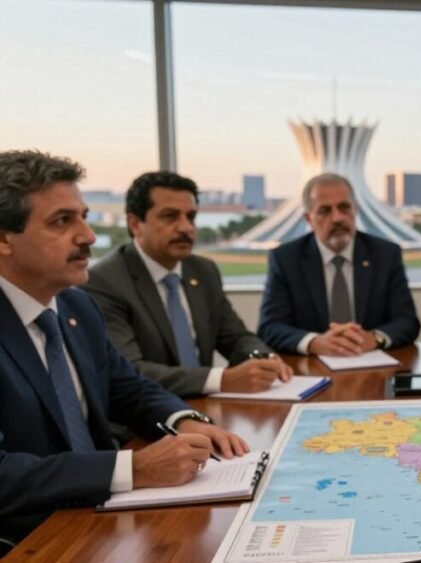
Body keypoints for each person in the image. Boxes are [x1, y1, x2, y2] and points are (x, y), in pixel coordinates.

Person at [0, 151, 248, 551]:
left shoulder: (76, 306)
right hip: (26, 540)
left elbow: (128, 388)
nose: (89, 236)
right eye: (63, 221)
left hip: (97, 524)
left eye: (83, 216)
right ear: (3, 238)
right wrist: (132, 468)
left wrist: (183, 420)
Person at [84, 172, 292, 398]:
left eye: (190, 216)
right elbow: (131, 372)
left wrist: (262, 357)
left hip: (206, 406)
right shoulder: (104, 282)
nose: (186, 228)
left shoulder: (203, 271)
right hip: (146, 421)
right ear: (135, 224)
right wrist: (223, 379)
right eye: (170, 216)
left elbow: (236, 338)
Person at [258, 173, 420, 356]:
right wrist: (313, 342)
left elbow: (407, 321)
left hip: (371, 365)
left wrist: (375, 338)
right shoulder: (286, 259)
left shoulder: (386, 255)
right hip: (312, 369)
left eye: (344, 207)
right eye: (325, 211)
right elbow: (270, 327)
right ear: (308, 219)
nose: (337, 218)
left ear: (355, 210)